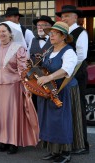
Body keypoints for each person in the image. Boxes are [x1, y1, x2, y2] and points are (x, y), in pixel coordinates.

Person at [0, 22, 39, 154]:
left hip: (13, 87)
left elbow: (23, 70)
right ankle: (2, 140)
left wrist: (27, 88)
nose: (1, 34)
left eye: (4, 31)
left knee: (11, 115)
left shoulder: (18, 48)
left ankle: (13, 142)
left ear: (10, 33)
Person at [37, 21, 79, 162]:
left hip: (64, 90)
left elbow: (66, 70)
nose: (51, 35)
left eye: (55, 33)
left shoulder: (69, 52)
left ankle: (66, 153)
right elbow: (43, 68)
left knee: (62, 121)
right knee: (49, 121)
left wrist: (49, 77)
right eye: (51, 33)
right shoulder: (49, 51)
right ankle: (54, 151)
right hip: (49, 91)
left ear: (63, 37)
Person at [56, 5, 89, 155]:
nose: (64, 18)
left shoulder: (81, 32)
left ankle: (82, 145)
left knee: (78, 108)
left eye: (67, 16)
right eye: (62, 16)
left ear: (75, 17)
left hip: (76, 73)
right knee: (66, 108)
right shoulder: (62, 32)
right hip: (64, 73)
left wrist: (67, 69)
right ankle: (69, 142)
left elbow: (81, 56)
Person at [28, 15, 54, 109]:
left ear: (50, 27)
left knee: (49, 102)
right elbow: (28, 57)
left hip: (50, 77)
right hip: (34, 78)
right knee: (35, 103)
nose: (40, 27)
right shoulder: (32, 40)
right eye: (39, 25)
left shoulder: (54, 41)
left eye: (43, 25)